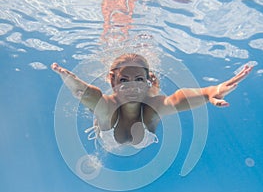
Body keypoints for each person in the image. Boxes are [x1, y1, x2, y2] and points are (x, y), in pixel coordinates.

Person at [51, 53, 253, 149]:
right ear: (112, 81)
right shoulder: (108, 104)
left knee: (154, 108)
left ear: (148, 81)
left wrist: (212, 91)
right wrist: (72, 82)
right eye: (124, 80)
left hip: (143, 133)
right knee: (103, 109)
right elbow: (88, 94)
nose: (132, 86)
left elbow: (179, 99)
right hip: (108, 133)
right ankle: (97, 123)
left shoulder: (154, 105)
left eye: (139, 79)